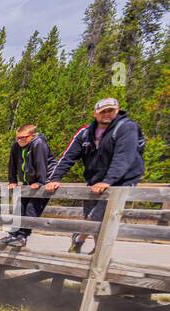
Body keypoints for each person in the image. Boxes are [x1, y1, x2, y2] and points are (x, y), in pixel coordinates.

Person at [45, 98, 146, 253]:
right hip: (95, 179)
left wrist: (108, 181)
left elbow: (123, 157)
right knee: (90, 216)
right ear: (95, 114)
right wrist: (54, 179)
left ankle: (86, 244)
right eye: (102, 111)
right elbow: (68, 157)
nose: (106, 114)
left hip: (123, 179)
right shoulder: (85, 133)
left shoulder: (126, 128)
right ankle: (92, 248)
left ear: (117, 110)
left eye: (110, 110)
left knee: (98, 216)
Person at [0, 124, 53, 248]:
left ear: (32, 136)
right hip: (28, 182)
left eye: (23, 138)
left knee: (31, 208)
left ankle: (22, 237)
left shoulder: (39, 144)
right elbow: (12, 164)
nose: (20, 140)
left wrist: (41, 182)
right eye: (18, 138)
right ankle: (13, 234)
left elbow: (41, 163)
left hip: (45, 181)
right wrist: (12, 181)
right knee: (20, 207)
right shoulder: (16, 146)